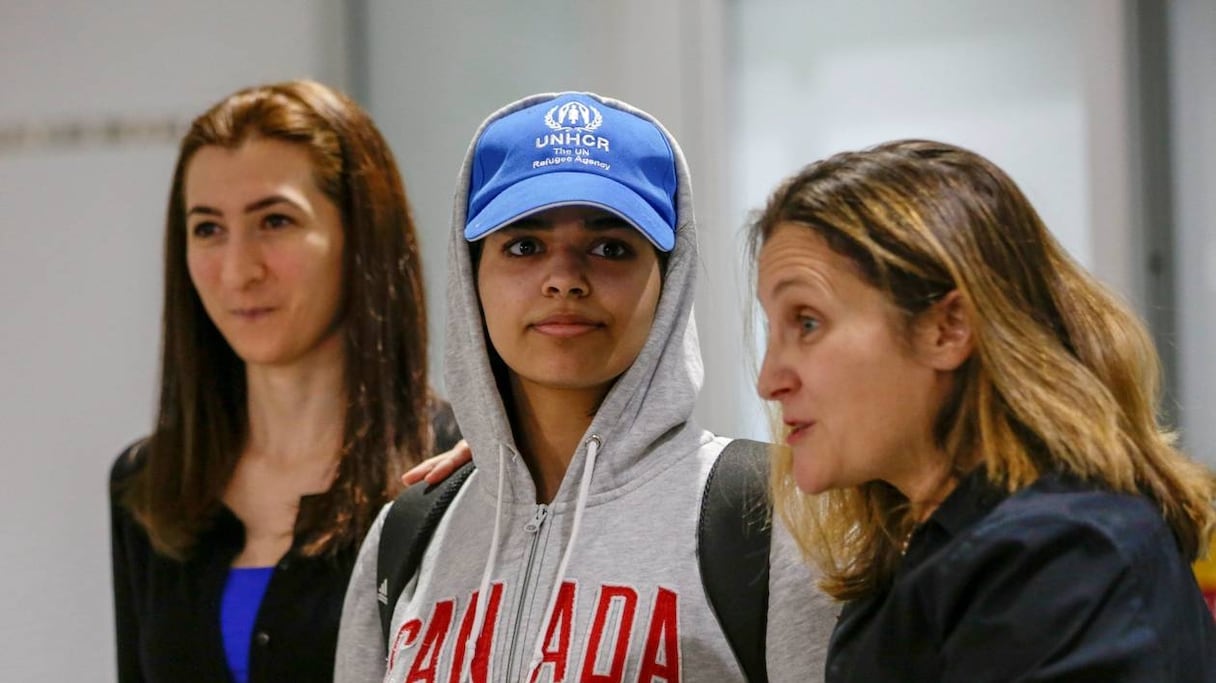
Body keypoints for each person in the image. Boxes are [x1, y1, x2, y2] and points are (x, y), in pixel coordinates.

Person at [335, 91, 834, 682]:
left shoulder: (774, 516)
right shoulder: (408, 536)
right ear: (472, 276)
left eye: (610, 248)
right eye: (524, 246)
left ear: (668, 279)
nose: (564, 280)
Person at [752, 139, 1216, 681]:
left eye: (807, 322)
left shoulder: (1064, 559)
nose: (769, 381)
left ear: (947, 329)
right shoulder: (922, 554)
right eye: (772, 329)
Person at [109, 80, 460, 683]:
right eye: (208, 229)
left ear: (361, 238)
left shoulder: (452, 471)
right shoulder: (152, 484)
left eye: (275, 220)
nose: (239, 270)